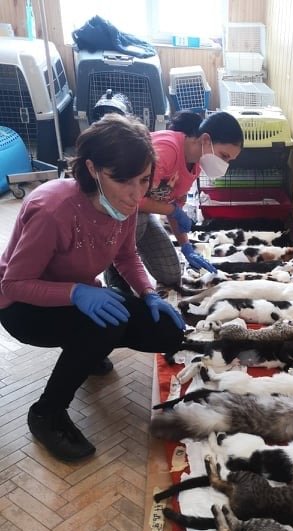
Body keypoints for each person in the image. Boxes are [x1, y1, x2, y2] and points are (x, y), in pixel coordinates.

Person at [0, 114, 186, 463]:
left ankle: (84, 349)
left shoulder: (125, 203)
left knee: (167, 330)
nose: (136, 193)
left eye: (144, 180)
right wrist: (76, 293)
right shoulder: (52, 210)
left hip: (76, 295)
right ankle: (47, 413)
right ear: (93, 169)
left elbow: (127, 256)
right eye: (123, 180)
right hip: (22, 308)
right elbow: (13, 284)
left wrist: (149, 294)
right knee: (105, 325)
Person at [104, 109, 244, 290]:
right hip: (117, 208)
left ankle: (129, 254)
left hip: (143, 212)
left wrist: (186, 246)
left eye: (229, 160)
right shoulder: (167, 150)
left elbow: (175, 204)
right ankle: (112, 265)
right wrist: (172, 210)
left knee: (170, 275)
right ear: (205, 140)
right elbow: (132, 199)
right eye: (224, 156)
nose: (224, 165)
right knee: (139, 220)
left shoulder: (196, 165)